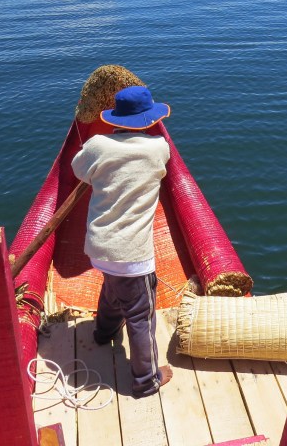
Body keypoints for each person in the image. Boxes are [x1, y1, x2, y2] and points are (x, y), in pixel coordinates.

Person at [71, 85, 174, 398]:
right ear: (148, 120)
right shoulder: (158, 148)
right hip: (133, 255)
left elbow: (79, 170)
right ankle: (146, 380)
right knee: (141, 316)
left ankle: (104, 332)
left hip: (100, 247)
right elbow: (163, 164)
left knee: (114, 287)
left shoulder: (98, 145)